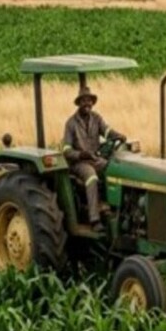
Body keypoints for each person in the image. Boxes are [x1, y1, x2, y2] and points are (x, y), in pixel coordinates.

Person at [62, 89, 126, 227]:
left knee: (112, 168)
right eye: (84, 100)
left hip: (94, 159)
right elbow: (66, 150)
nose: (87, 103)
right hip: (79, 163)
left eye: (89, 100)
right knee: (91, 176)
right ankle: (94, 219)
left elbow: (107, 131)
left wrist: (119, 135)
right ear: (79, 103)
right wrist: (80, 154)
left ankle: (112, 209)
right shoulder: (71, 123)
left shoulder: (96, 118)